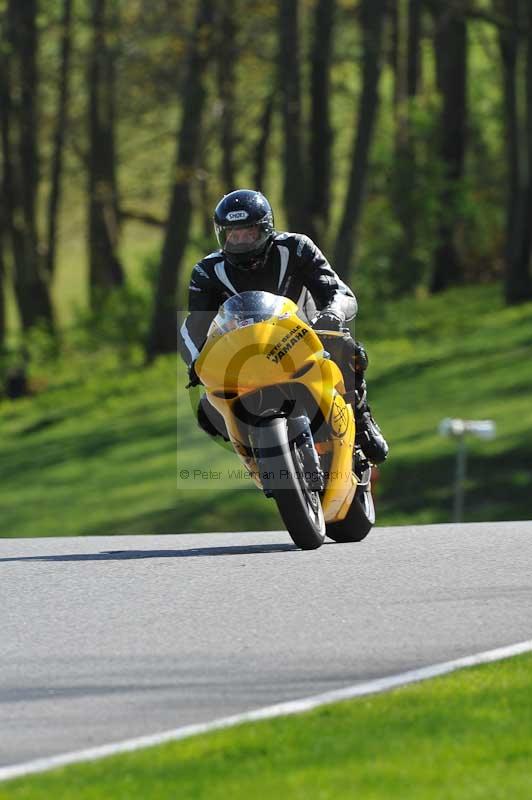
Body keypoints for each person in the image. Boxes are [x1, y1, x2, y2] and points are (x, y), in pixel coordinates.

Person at [179, 189, 388, 464]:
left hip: (308, 337)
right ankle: (255, 453)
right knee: (207, 410)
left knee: (348, 350)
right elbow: (193, 326)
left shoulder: (297, 248)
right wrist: (196, 361)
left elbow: (340, 293)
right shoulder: (207, 271)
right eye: (233, 234)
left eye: (248, 232)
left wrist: (332, 315)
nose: (240, 241)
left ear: (265, 228)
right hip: (247, 354)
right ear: (222, 235)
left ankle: (361, 420)